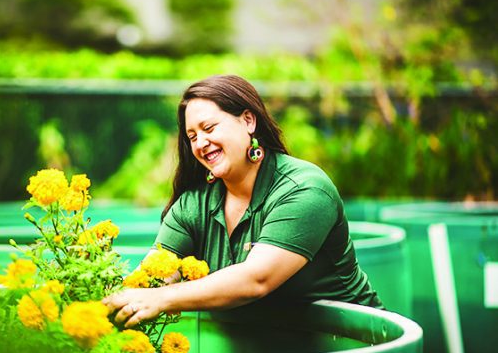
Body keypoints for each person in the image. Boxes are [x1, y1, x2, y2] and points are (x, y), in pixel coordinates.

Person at [103, 74, 382, 328]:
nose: (200, 143)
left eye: (209, 127)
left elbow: (256, 280)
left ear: (248, 121)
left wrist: (163, 299)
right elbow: (154, 276)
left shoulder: (304, 189)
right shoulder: (194, 203)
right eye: (192, 136)